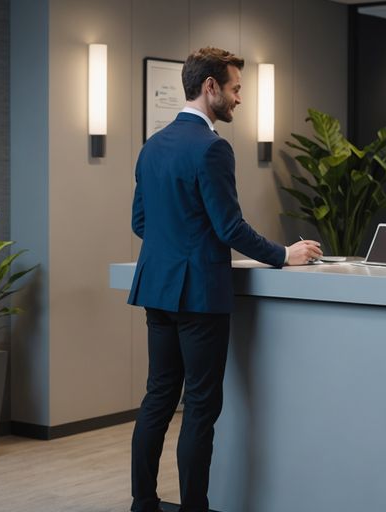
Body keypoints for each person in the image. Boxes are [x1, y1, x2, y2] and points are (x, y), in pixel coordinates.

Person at [128, 46, 322, 512]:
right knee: (199, 408)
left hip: (157, 290)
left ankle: (143, 503)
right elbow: (229, 227)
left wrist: (178, 243)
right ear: (210, 87)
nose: (239, 99)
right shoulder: (213, 147)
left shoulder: (152, 146)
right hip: (198, 296)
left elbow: (141, 222)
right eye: (235, 88)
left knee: (158, 398)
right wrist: (284, 254)